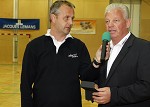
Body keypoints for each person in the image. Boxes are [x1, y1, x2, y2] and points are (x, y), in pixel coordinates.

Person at [20, 1, 109, 107]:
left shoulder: (79, 46)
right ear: (53, 18)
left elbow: (86, 77)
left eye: (72, 18)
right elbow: (25, 84)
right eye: (66, 18)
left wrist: (96, 62)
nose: (71, 22)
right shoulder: (34, 46)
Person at [92, 3, 150, 107]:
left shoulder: (144, 48)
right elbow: (105, 78)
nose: (110, 25)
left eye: (116, 20)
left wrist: (114, 95)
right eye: (107, 21)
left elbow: (147, 86)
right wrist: (95, 85)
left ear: (128, 23)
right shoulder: (104, 48)